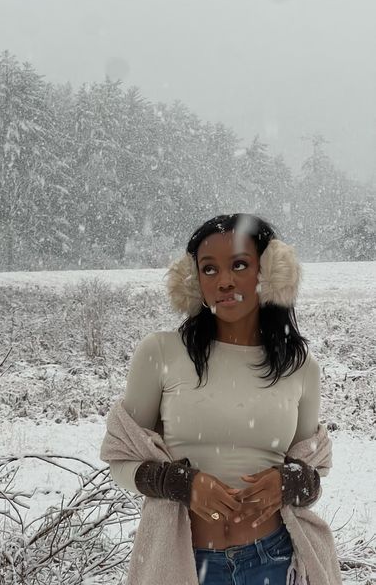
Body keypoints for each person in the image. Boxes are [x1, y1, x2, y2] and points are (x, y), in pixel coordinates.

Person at [106, 213, 329, 584]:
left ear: (269, 271)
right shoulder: (160, 353)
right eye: (209, 270)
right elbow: (121, 460)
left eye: (239, 265)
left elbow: (313, 473)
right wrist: (182, 483)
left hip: (274, 560)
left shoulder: (301, 368)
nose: (224, 281)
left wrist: (289, 482)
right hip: (182, 564)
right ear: (193, 282)